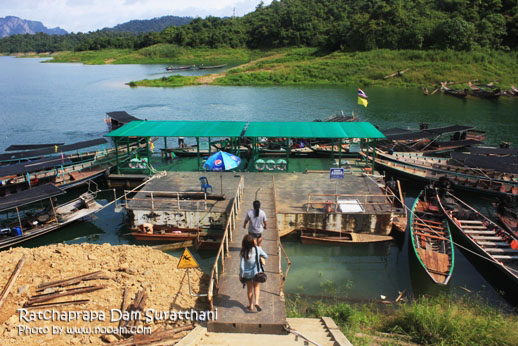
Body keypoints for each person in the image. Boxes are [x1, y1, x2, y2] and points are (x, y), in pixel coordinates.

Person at [239, 234, 268, 312]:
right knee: (256, 287)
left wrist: (241, 275)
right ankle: (257, 302)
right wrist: (260, 255)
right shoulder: (257, 249)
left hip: (247, 274)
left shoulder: (243, 252)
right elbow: (266, 256)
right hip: (256, 273)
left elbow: (241, 267)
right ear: (253, 243)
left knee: (249, 289)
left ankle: (251, 305)